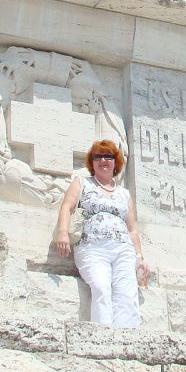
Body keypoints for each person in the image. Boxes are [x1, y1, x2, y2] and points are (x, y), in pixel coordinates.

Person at [53, 139, 149, 327]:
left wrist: (139, 257)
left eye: (108, 156)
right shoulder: (82, 183)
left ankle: (126, 336)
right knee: (101, 287)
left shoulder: (124, 194)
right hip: (92, 248)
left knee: (127, 294)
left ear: (115, 162)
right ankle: (104, 333)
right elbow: (67, 206)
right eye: (98, 157)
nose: (103, 160)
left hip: (123, 250)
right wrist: (62, 232)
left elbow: (132, 229)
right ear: (92, 162)